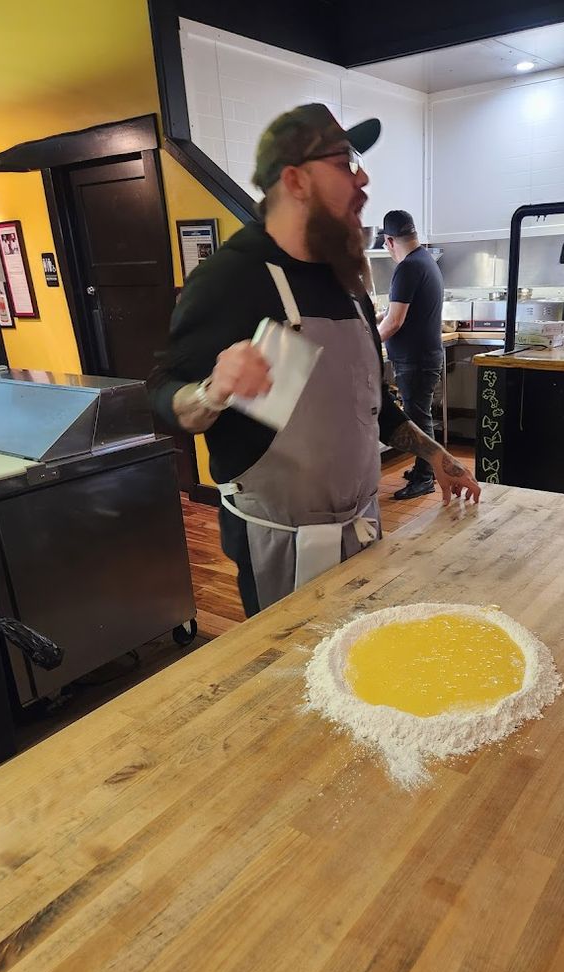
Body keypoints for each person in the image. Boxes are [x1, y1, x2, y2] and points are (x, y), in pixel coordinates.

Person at [149, 103, 480, 618]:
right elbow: (166, 397)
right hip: (281, 547)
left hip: (364, 527)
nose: (363, 178)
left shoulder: (344, 283)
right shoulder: (229, 279)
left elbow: (371, 406)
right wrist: (214, 389)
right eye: (346, 162)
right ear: (296, 180)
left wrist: (437, 456)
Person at [378, 210, 445, 500]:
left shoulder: (407, 268)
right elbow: (395, 312)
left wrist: (367, 340)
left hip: (415, 360)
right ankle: (423, 467)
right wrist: (380, 315)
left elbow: (395, 322)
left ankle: (425, 477)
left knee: (418, 418)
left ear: (389, 241)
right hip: (423, 356)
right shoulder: (426, 260)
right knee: (420, 415)